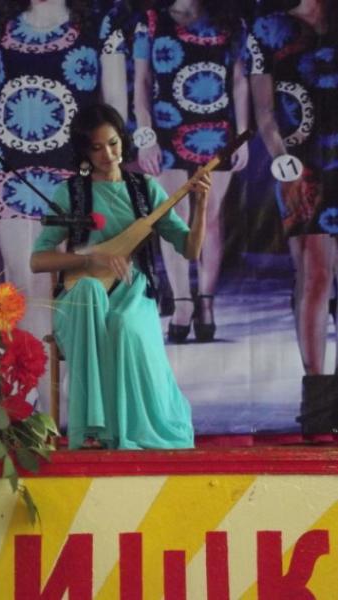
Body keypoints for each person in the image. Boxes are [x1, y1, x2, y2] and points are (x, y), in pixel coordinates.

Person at [0, 0, 102, 407]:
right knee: (26, 288)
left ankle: (63, 398)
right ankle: (40, 407)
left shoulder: (101, 28)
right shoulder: (1, 30)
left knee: (62, 292)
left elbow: (113, 108)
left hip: (73, 174)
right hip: (13, 173)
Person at [30, 103, 211, 450]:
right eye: (97, 148)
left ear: (122, 141)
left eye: (113, 143)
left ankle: (131, 431)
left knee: (125, 327)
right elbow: (38, 260)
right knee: (89, 292)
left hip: (132, 290)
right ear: (84, 152)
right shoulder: (71, 193)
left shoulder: (145, 190)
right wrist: (90, 256)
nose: (108, 155)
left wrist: (200, 205)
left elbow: (190, 249)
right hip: (80, 298)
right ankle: (92, 429)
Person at [133, 0, 249, 343]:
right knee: (174, 215)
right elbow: (142, 83)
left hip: (217, 130)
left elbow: (239, 80)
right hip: (167, 126)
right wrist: (146, 136)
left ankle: (206, 302)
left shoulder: (230, 20)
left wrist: (243, 135)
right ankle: (182, 301)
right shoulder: (151, 22)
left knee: (210, 217)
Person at [247, 0, 338, 432]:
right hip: (302, 165)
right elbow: (264, 111)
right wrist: (283, 162)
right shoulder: (267, 30)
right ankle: (317, 401)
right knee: (315, 274)